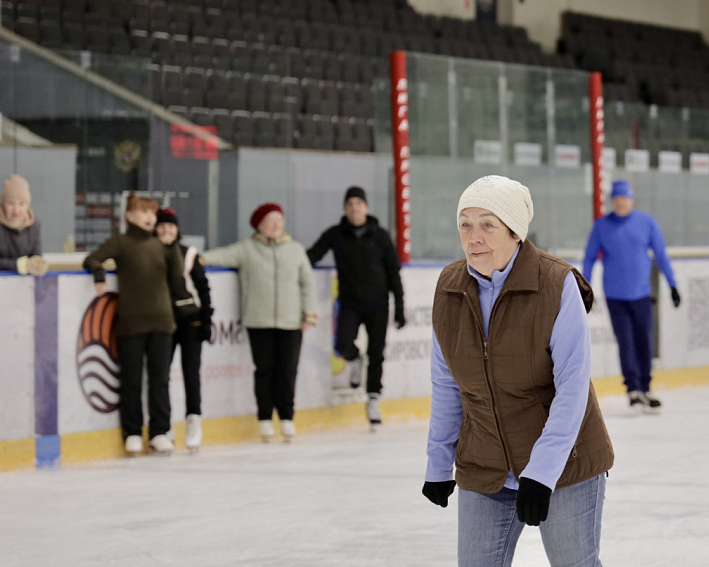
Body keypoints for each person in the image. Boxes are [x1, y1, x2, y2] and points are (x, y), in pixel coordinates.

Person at [423, 175, 614, 567]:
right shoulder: (449, 288)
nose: (473, 236)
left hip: (564, 465)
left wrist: (541, 473)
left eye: (487, 224)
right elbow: (446, 385)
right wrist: (438, 464)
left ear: (514, 232)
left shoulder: (556, 284)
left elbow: (572, 389)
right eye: (465, 224)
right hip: (485, 463)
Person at [204, 203, 317, 443]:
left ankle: (286, 417)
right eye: (270, 221)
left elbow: (308, 283)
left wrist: (309, 313)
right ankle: (265, 418)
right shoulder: (247, 249)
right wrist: (196, 256)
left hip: (291, 322)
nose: (276, 225)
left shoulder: (295, 250)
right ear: (259, 225)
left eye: (279, 220)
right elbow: (221, 255)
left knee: (287, 371)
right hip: (259, 321)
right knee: (264, 371)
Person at [83, 193, 185, 455]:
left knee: (159, 380)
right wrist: (98, 273)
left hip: (162, 322)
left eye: (152, 212)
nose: (149, 217)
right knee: (131, 380)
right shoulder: (121, 243)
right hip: (130, 323)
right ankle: (132, 431)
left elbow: (177, 281)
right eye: (143, 212)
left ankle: (160, 431)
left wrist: (173, 248)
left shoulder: (161, 246)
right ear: (129, 216)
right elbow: (93, 258)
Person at [306, 186, 405, 430]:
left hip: (378, 304)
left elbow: (394, 272)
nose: (354, 208)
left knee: (376, 353)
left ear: (366, 207)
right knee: (341, 344)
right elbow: (311, 256)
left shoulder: (380, 235)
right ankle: (354, 359)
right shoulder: (335, 234)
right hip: (350, 303)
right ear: (344, 208)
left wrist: (400, 306)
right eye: (350, 204)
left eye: (358, 203)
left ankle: (373, 400)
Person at [582, 180, 680, 414]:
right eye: (616, 199)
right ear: (612, 202)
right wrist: (585, 286)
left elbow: (661, 255)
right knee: (625, 342)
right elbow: (589, 258)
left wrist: (673, 285)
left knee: (644, 341)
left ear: (632, 200)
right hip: (615, 296)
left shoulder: (646, 223)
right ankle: (633, 390)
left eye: (624, 199)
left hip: (642, 295)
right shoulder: (602, 226)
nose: (621, 203)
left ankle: (646, 388)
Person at [155, 208, 213, 452]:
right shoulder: (150, 254)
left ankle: (193, 420)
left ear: (177, 230)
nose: (167, 230)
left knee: (191, 372)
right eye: (162, 226)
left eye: (171, 226)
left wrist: (206, 319)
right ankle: (165, 425)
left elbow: (203, 288)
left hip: (190, 320)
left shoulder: (188, 254)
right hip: (162, 322)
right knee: (161, 375)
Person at [0, 174, 47, 276]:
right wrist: (21, 265)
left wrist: (37, 264)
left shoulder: (34, 225)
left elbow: (36, 254)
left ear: (28, 205)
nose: (16, 210)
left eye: (22, 204)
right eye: (10, 203)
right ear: (3, 203)